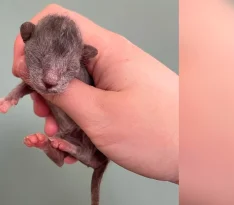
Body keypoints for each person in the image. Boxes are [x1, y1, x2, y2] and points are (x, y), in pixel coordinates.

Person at [12, 4, 179, 184]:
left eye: (66, 67)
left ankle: (73, 149)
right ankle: (52, 147)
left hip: (88, 140)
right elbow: (28, 85)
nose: (50, 79)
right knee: (58, 143)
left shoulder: (83, 71)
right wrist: (9, 99)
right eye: (42, 60)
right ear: (27, 35)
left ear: (83, 56)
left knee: (75, 145)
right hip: (68, 131)